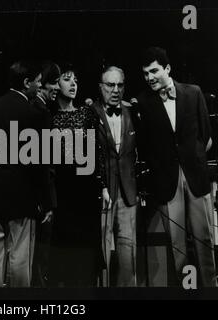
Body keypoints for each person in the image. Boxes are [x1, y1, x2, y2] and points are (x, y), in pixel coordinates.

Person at [137, 47, 217, 287]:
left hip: (196, 177)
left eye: (154, 71)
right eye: (145, 73)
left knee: (205, 239)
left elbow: (205, 134)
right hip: (167, 182)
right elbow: (146, 146)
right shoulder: (143, 102)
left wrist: (194, 162)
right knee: (177, 244)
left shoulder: (193, 93)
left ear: (167, 69)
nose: (149, 77)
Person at [0, 60, 53, 287]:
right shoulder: (34, 114)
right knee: (20, 257)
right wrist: (46, 202)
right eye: (38, 82)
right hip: (22, 199)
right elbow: (40, 165)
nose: (39, 86)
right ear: (26, 82)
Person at [48, 63, 104, 287]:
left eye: (76, 80)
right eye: (67, 79)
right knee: (63, 250)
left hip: (85, 190)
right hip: (61, 191)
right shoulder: (48, 115)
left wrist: (102, 185)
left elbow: (95, 154)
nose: (73, 84)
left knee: (86, 251)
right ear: (56, 84)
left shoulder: (86, 113)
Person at [91, 66, 138, 287]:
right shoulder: (89, 113)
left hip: (128, 192)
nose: (115, 90)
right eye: (110, 85)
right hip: (103, 191)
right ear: (101, 87)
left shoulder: (132, 113)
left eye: (120, 85)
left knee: (128, 250)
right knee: (102, 251)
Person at [30, 61, 61, 287]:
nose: (58, 88)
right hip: (41, 198)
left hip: (38, 196)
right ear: (41, 85)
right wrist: (47, 202)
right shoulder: (39, 112)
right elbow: (43, 163)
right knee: (39, 256)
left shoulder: (39, 109)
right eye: (55, 82)